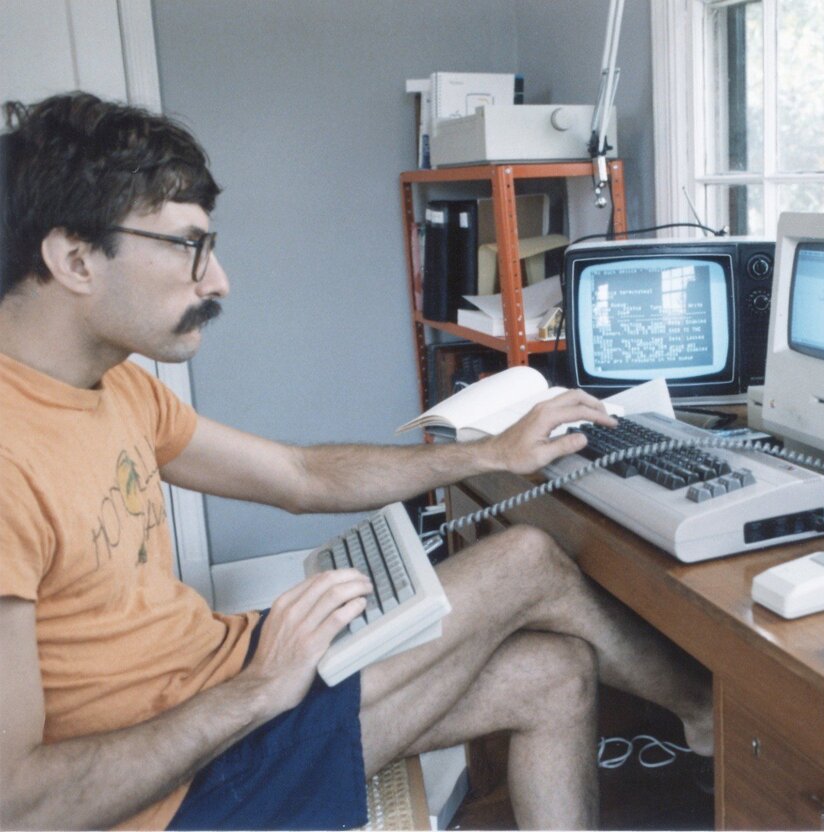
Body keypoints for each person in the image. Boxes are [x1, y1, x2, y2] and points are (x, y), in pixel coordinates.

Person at [0, 92, 712, 831]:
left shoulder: (114, 385)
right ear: (75, 259)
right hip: (183, 790)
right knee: (525, 560)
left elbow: (301, 477)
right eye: (188, 246)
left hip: (220, 685)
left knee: (554, 672)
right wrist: (259, 690)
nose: (218, 281)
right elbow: (18, 805)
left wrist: (490, 452)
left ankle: (705, 717)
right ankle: (710, 717)